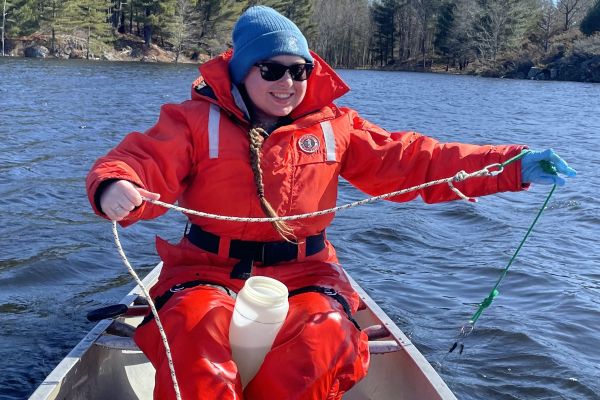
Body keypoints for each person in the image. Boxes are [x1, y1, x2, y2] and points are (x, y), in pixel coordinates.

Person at [86, 6, 576, 400]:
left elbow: (416, 161)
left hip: (307, 274)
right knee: (196, 338)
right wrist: (114, 187)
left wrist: (511, 165)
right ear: (240, 71)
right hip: (205, 267)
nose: (287, 82)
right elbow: (139, 161)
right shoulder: (192, 121)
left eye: (299, 70)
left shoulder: (337, 127)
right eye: (271, 69)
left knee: (322, 347)